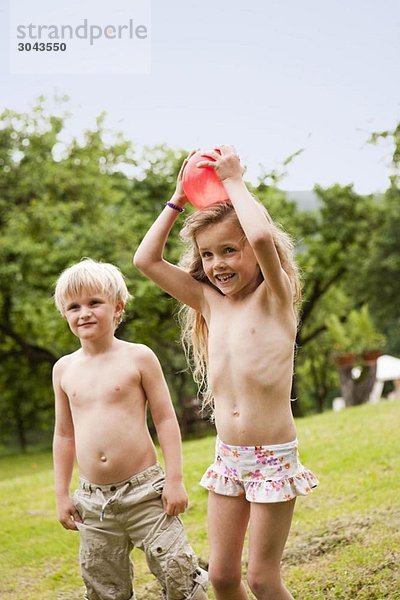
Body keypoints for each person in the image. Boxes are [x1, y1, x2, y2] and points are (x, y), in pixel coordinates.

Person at [134, 145, 318, 600]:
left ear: (257, 255)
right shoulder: (208, 302)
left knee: (262, 578)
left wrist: (234, 180)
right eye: (208, 255)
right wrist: (178, 197)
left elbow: (259, 237)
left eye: (229, 251)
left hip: (272, 457)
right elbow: (146, 261)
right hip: (228, 458)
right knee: (220, 577)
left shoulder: (276, 298)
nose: (218, 264)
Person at [52, 258, 208, 600]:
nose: (84, 313)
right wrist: (62, 494)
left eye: (95, 303)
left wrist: (175, 479)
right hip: (94, 503)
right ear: (65, 314)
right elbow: (64, 434)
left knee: (178, 572)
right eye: (74, 307)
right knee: (104, 585)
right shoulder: (64, 369)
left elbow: (166, 419)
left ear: (118, 307)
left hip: (146, 493)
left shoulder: (138, 357)